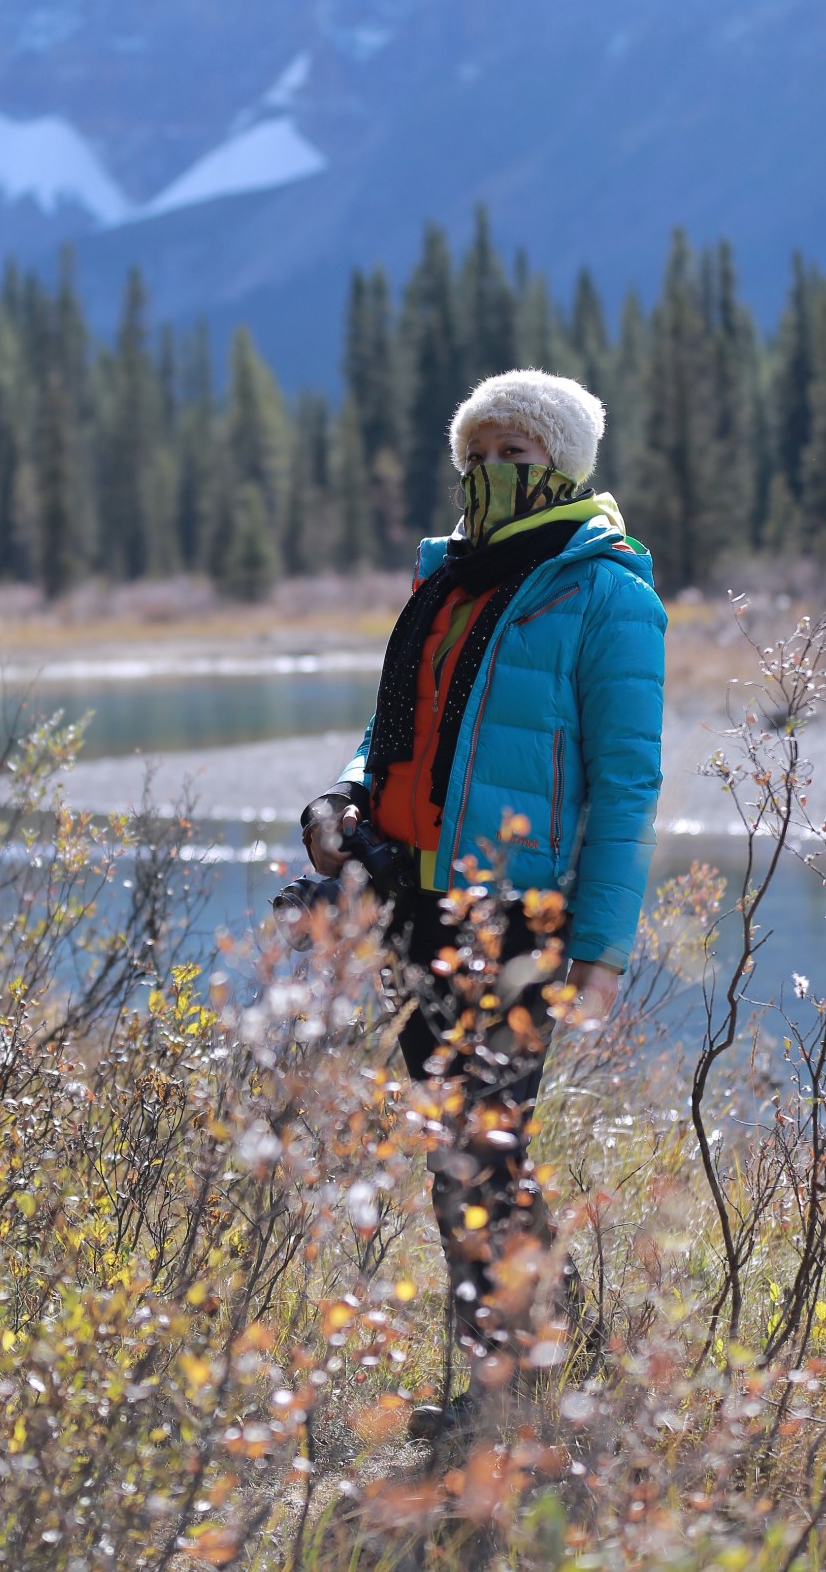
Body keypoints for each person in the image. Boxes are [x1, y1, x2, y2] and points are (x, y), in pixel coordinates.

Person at [297, 368, 665, 1444]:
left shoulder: (607, 593)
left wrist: (597, 945)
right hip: (416, 901)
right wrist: (347, 794)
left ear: (563, 463)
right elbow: (397, 732)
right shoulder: (444, 583)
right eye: (481, 450)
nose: (495, 468)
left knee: (475, 1145)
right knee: (467, 1143)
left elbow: (627, 783)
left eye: (520, 450)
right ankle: (557, 1364)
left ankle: (510, 1396)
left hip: (518, 916)